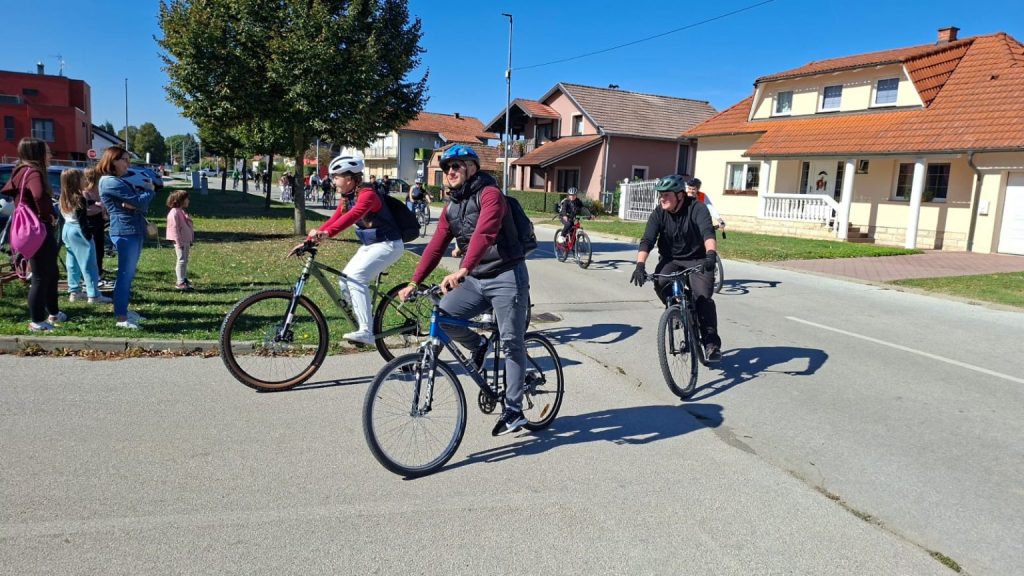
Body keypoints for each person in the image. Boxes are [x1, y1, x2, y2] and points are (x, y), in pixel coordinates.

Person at [397, 144, 531, 437]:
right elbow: (435, 248)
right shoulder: (452, 207)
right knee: (444, 316)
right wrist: (414, 282)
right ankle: (479, 346)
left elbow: (485, 233)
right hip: (475, 279)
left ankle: (514, 410)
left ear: (471, 167)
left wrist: (463, 268)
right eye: (446, 168)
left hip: (507, 275)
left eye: (456, 166)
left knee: (511, 341)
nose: (450, 171)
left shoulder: (491, 195)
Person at [302, 154, 404, 345]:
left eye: (336, 177)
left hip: (389, 244)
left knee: (356, 278)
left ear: (349, 179)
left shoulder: (367, 194)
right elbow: (335, 219)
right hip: (371, 244)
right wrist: (309, 241)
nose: (333, 181)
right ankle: (361, 320)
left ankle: (366, 331)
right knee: (344, 279)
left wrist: (327, 234)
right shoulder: (347, 198)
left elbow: (353, 216)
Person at [630, 174, 722, 361]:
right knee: (660, 282)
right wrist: (640, 265)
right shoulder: (659, 213)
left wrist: (711, 254)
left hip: (697, 259)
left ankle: (711, 343)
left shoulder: (697, 208)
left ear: (680, 195)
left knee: (703, 298)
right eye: (660, 195)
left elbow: (707, 232)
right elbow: (647, 239)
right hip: (671, 259)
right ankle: (677, 311)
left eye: (666, 195)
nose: (662, 198)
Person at [0, 138, 64, 331]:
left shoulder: (20, 171)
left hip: (28, 230)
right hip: (38, 229)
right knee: (40, 276)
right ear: (37, 154)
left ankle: (53, 312)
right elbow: (38, 195)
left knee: (50, 272)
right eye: (47, 151)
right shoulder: (34, 172)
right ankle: (37, 321)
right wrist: (48, 215)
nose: (50, 155)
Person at [98, 145, 155, 330]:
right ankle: (121, 317)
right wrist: (149, 190)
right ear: (112, 161)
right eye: (124, 159)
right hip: (125, 231)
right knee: (124, 275)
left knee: (128, 275)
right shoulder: (110, 182)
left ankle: (123, 311)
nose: (127, 164)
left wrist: (137, 202)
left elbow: (137, 203)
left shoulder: (117, 181)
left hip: (131, 229)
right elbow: (139, 202)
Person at [59, 169, 111, 305]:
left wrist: (93, 203)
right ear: (76, 181)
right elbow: (82, 219)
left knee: (72, 263)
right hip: (78, 230)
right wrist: (87, 235)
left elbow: (80, 207)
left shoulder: (64, 196)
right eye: (83, 179)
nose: (85, 181)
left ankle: (74, 291)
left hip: (67, 229)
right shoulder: (79, 198)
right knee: (89, 263)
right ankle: (94, 295)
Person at [81, 167, 111, 287]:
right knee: (90, 249)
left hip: (99, 220)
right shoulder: (84, 192)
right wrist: (97, 205)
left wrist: (104, 212)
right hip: (90, 221)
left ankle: (98, 271)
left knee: (100, 248)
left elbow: (103, 204)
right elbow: (86, 209)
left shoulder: (98, 190)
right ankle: (88, 274)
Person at [165, 189, 195, 292]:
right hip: (180, 241)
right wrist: (178, 242)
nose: (188, 201)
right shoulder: (174, 213)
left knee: (185, 260)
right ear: (180, 200)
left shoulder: (181, 211)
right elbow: (174, 229)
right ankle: (180, 282)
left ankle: (183, 278)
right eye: (186, 199)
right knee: (181, 260)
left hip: (185, 240)